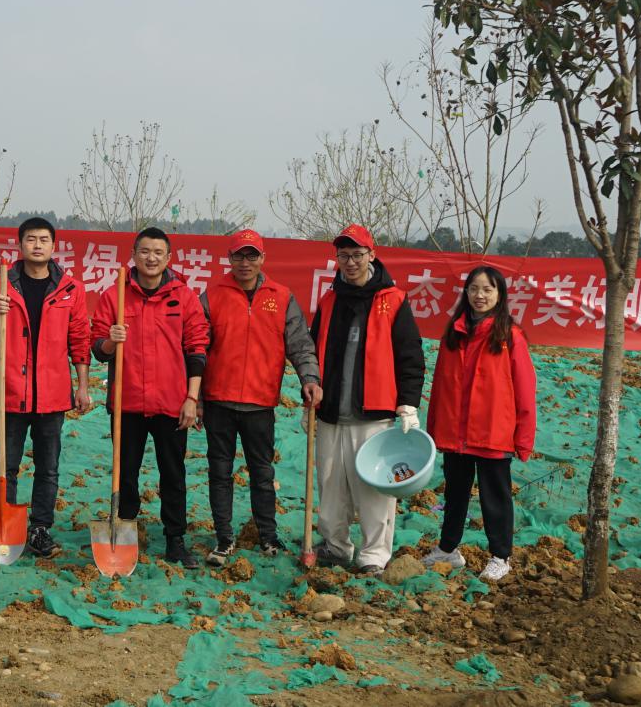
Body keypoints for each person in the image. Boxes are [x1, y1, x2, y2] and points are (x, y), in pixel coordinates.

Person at [308, 224, 425, 574]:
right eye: (343, 256)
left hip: (373, 414)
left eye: (357, 255)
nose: (350, 262)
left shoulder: (393, 301)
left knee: (373, 487)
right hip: (330, 412)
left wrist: (408, 402)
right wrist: (310, 394)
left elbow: (410, 355)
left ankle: (375, 553)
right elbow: (314, 353)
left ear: (372, 255)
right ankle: (336, 545)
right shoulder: (330, 301)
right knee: (329, 484)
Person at [199, 229, 321, 566]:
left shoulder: (281, 297)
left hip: (260, 403)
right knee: (219, 472)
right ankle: (224, 538)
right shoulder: (213, 295)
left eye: (252, 255)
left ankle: (268, 536)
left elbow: (300, 344)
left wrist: (309, 378)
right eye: (238, 255)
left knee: (262, 472)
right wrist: (193, 396)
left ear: (263, 259)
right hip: (219, 401)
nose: (245, 262)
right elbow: (195, 347)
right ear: (229, 258)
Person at [0, 217, 91, 558]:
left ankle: (40, 529)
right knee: (5, 465)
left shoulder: (71, 289)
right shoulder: (1, 285)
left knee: (47, 466)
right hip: (10, 393)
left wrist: (82, 386)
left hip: (53, 395)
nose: (37, 245)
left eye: (43, 240)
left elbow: (80, 340)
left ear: (54, 246)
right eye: (30, 240)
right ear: (20, 245)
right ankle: (5, 527)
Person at [91, 227, 209, 568]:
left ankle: (175, 538)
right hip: (126, 403)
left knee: (173, 473)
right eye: (144, 251)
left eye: (158, 252)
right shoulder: (116, 296)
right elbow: (98, 348)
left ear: (169, 258)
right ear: (134, 255)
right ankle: (125, 530)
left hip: (171, 403)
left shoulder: (182, 296)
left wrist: (191, 398)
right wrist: (111, 341)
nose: (151, 258)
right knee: (124, 472)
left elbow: (197, 348)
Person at [423, 266, 536, 582]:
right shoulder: (454, 333)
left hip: (492, 434)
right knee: (455, 493)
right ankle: (448, 549)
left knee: (495, 498)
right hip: (455, 434)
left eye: (487, 289)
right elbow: (441, 387)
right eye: (474, 289)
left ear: (499, 295)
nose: (480, 295)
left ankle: (501, 556)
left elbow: (526, 390)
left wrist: (523, 438)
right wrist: (435, 431)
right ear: (466, 293)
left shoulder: (509, 336)